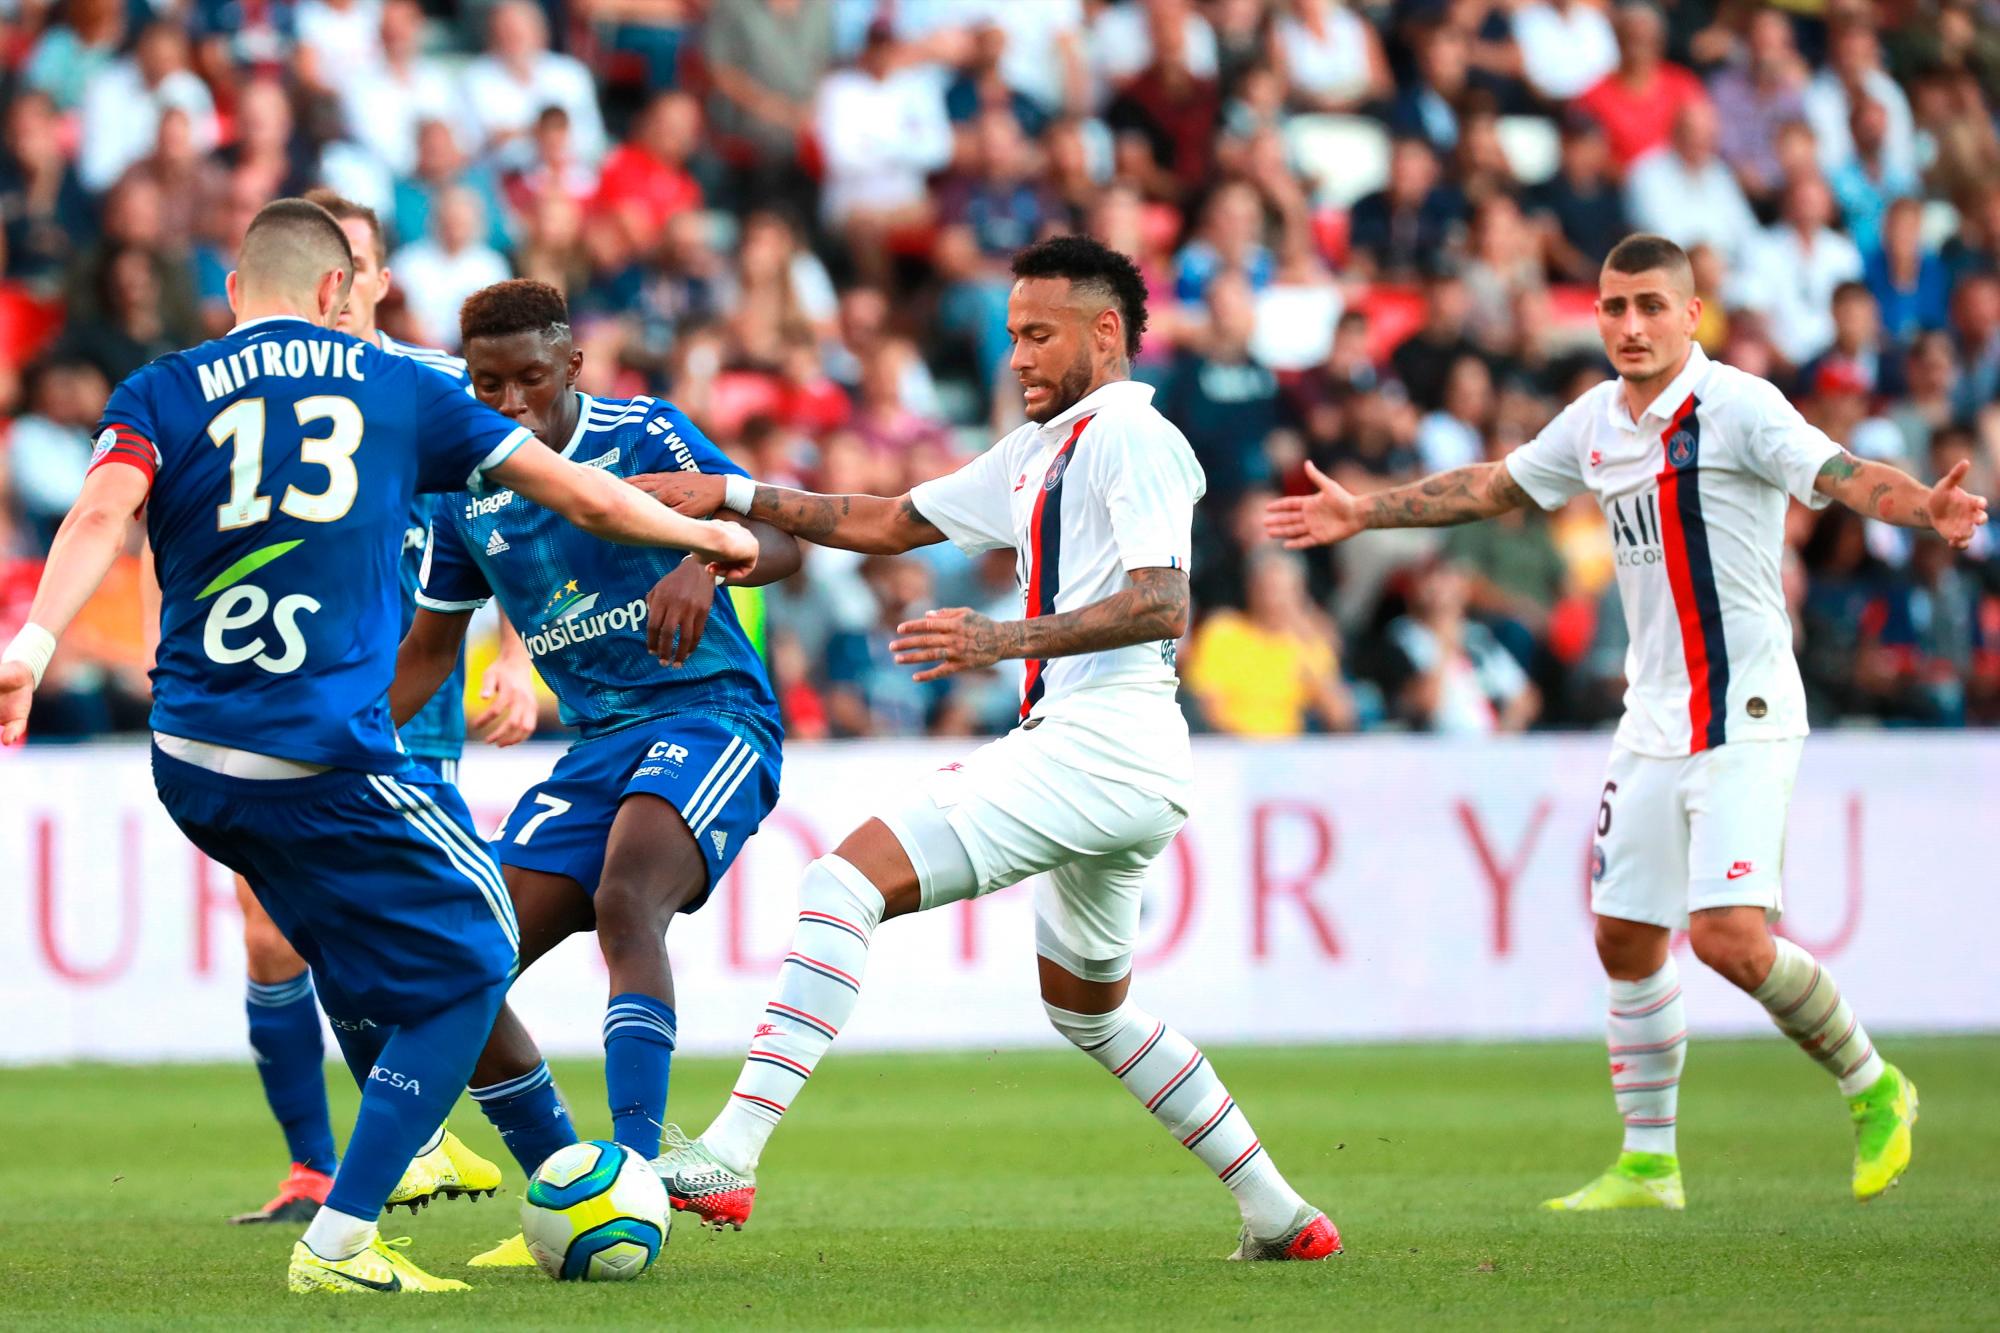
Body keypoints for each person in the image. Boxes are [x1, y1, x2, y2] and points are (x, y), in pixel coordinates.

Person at [0, 197, 756, 1294]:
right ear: (333, 290)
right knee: (476, 957)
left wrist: (31, 640)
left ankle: (545, 1167)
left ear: (232, 294)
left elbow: (98, 515)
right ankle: (341, 1236)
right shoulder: (400, 390)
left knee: (371, 961)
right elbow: (580, 496)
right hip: (319, 752)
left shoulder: (158, 387)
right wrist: (707, 531)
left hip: (191, 757)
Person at [636, 234, 1340, 1262]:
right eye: (1011, 334)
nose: (1015, 356)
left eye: (1038, 335)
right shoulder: (1037, 447)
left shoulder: (1128, 438)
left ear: (1107, 334)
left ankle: (734, 1151)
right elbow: (881, 519)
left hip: (1100, 738)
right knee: (1092, 1014)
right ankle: (1281, 1214)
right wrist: (733, 495)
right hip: (1119, 756)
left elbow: (1161, 601)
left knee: (842, 881)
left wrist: (1000, 636)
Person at [1266, 233, 1985, 1212]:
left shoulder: (1736, 406)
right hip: (1649, 718)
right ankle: (1649, 1159)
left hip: (1744, 709)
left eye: (1649, 304)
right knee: (1623, 937)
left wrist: (1920, 510)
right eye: (1611, 307)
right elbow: (1489, 486)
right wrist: (1364, 513)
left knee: (1728, 938)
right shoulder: (1594, 421)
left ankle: (1874, 1087)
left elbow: (1840, 472)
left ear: (1691, 314)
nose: (1629, 324)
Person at [389, 279, 799, 1269]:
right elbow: (429, 651)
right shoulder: (464, 489)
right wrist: (341, 741)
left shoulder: (643, 435)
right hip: (594, 747)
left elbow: (784, 538)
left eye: (530, 378)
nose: (508, 403)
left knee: (626, 898)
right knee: (461, 965)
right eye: (486, 383)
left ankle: (636, 1159)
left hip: (711, 717)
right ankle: (573, 1186)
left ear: (572, 366)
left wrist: (706, 559)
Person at [219, 188, 540, 1228]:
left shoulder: (438, 389)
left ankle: (532, 1159)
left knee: (447, 941)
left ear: (378, 282)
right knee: (289, 933)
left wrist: (514, 656)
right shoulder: (259, 402)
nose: (337, 288)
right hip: (288, 708)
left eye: (355, 267)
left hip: (414, 710)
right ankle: (342, 1168)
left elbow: (524, 523)